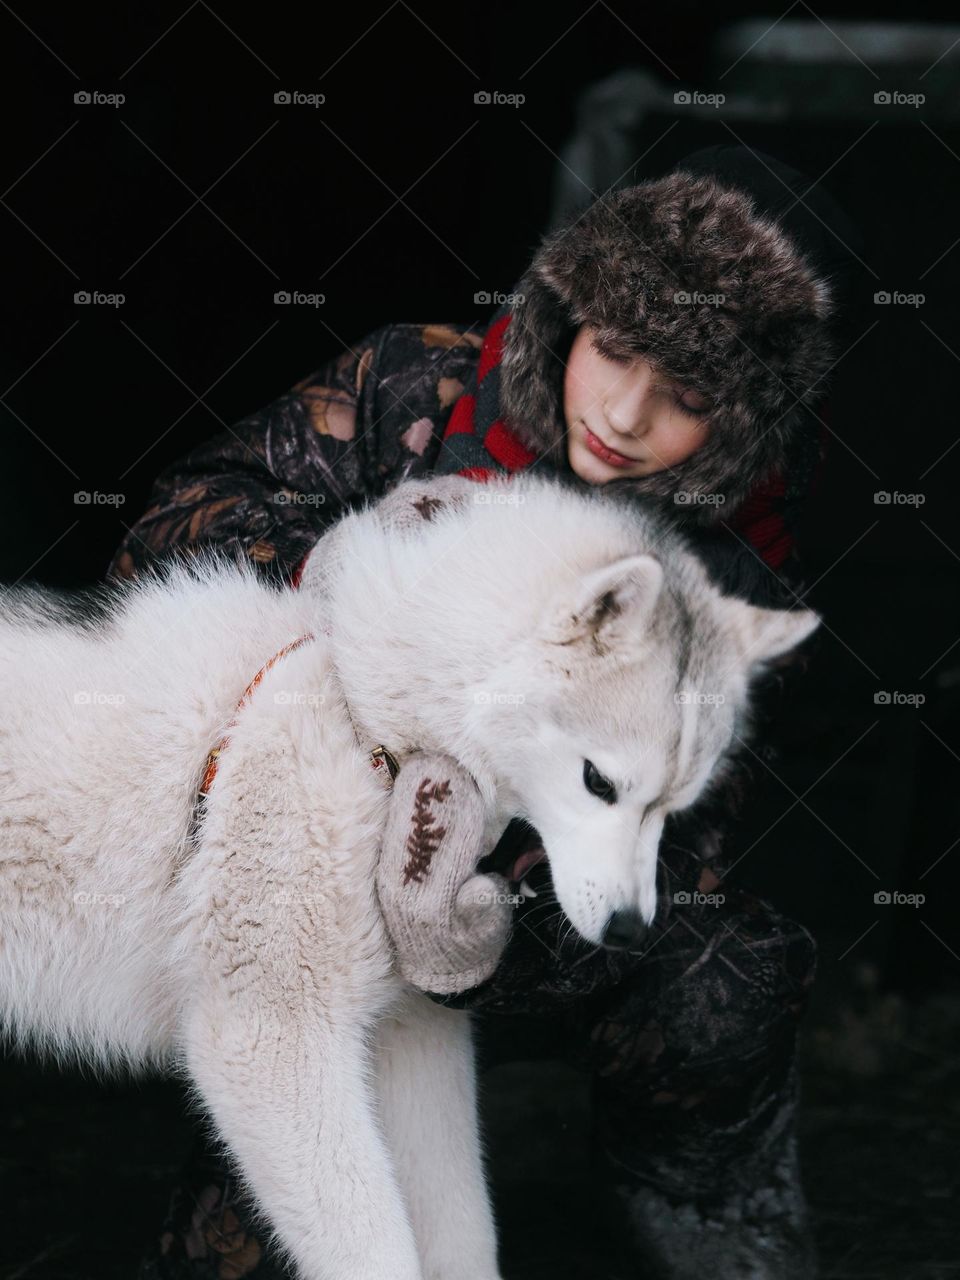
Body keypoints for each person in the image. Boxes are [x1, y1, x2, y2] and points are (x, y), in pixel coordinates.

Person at [109, 145, 864, 1279]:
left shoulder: (727, 588)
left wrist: (468, 923)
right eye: (615, 350)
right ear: (574, 313)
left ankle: (702, 1205)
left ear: (749, 417)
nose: (624, 414)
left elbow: (684, 845)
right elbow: (171, 525)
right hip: (296, 886)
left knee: (732, 974)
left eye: (690, 397)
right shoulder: (417, 384)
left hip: (521, 930)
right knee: (283, 1211)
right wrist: (332, 566)